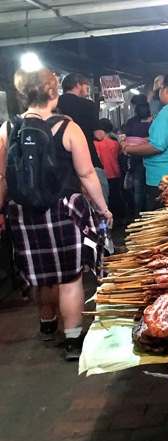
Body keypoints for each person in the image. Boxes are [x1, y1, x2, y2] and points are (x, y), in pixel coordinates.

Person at [0, 67, 111, 360]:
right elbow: (86, 174)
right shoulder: (68, 127)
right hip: (64, 211)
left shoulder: (7, 129)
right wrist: (103, 208)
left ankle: (47, 326)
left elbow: (2, 177)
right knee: (69, 277)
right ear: (52, 92)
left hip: (23, 214)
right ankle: (74, 341)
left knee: (40, 275)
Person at [121, 74, 168, 211]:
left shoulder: (167, 113)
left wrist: (127, 148)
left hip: (162, 178)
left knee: (161, 220)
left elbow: (156, 146)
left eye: (160, 88)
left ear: (166, 89)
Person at [57, 73, 109, 205]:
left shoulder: (55, 104)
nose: (87, 91)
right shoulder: (88, 105)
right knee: (98, 204)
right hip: (88, 159)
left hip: (61, 163)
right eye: (86, 87)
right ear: (78, 85)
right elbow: (99, 135)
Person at [123, 94, 153, 218]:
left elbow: (125, 138)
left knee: (138, 189)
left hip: (136, 159)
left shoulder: (131, 122)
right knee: (150, 189)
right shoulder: (155, 122)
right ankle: (149, 215)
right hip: (151, 158)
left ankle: (137, 216)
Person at [95, 118, 123, 221]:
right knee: (116, 196)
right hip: (115, 172)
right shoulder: (115, 143)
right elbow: (119, 154)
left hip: (102, 174)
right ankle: (119, 217)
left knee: (105, 197)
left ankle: (108, 218)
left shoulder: (96, 144)